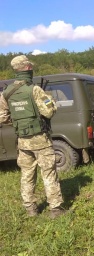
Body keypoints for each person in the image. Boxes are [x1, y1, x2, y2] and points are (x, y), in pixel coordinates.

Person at [0, 55, 66, 219]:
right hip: (41, 140)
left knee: (27, 175)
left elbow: (2, 117)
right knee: (49, 173)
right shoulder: (35, 89)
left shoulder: (6, 92)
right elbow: (48, 111)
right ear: (28, 68)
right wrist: (50, 100)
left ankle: (30, 209)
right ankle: (55, 209)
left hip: (22, 141)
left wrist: (19, 121)